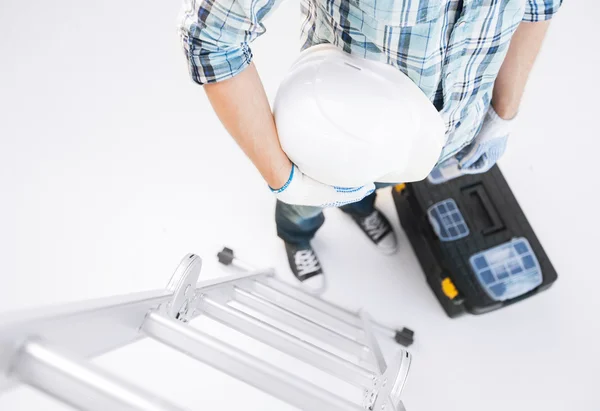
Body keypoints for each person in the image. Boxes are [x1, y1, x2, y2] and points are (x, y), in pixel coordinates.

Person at [178, 0, 562, 293]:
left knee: (369, 188)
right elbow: (211, 37)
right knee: (302, 206)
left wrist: (501, 114)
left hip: (432, 139)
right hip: (332, 128)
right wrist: (284, 179)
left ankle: (359, 207)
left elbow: (539, 5)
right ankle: (297, 236)